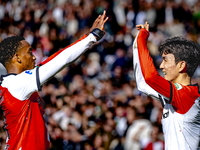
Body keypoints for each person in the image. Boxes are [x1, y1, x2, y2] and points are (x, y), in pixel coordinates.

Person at [0, 11, 108, 150]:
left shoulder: (11, 84)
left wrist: (86, 36)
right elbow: (61, 60)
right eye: (29, 52)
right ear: (17, 57)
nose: (33, 57)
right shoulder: (19, 83)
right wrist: (92, 37)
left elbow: (48, 62)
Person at [133, 22, 200, 150]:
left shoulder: (187, 95)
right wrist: (138, 40)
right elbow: (142, 83)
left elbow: (150, 77)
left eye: (165, 60)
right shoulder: (174, 96)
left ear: (181, 65)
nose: (161, 66)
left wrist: (143, 38)